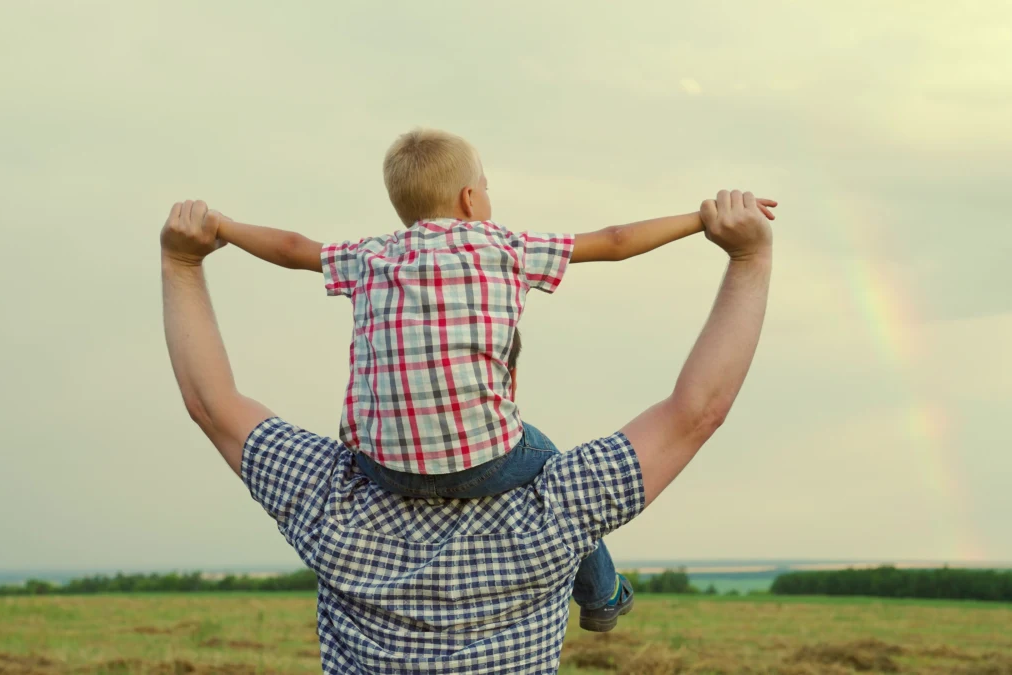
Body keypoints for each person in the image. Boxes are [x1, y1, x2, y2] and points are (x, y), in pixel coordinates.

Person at [160, 187, 776, 673]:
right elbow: (697, 411)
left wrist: (183, 260)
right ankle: (605, 595)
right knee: (544, 449)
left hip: (366, 490)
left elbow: (212, 404)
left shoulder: (329, 501)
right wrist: (748, 257)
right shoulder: (557, 507)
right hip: (532, 505)